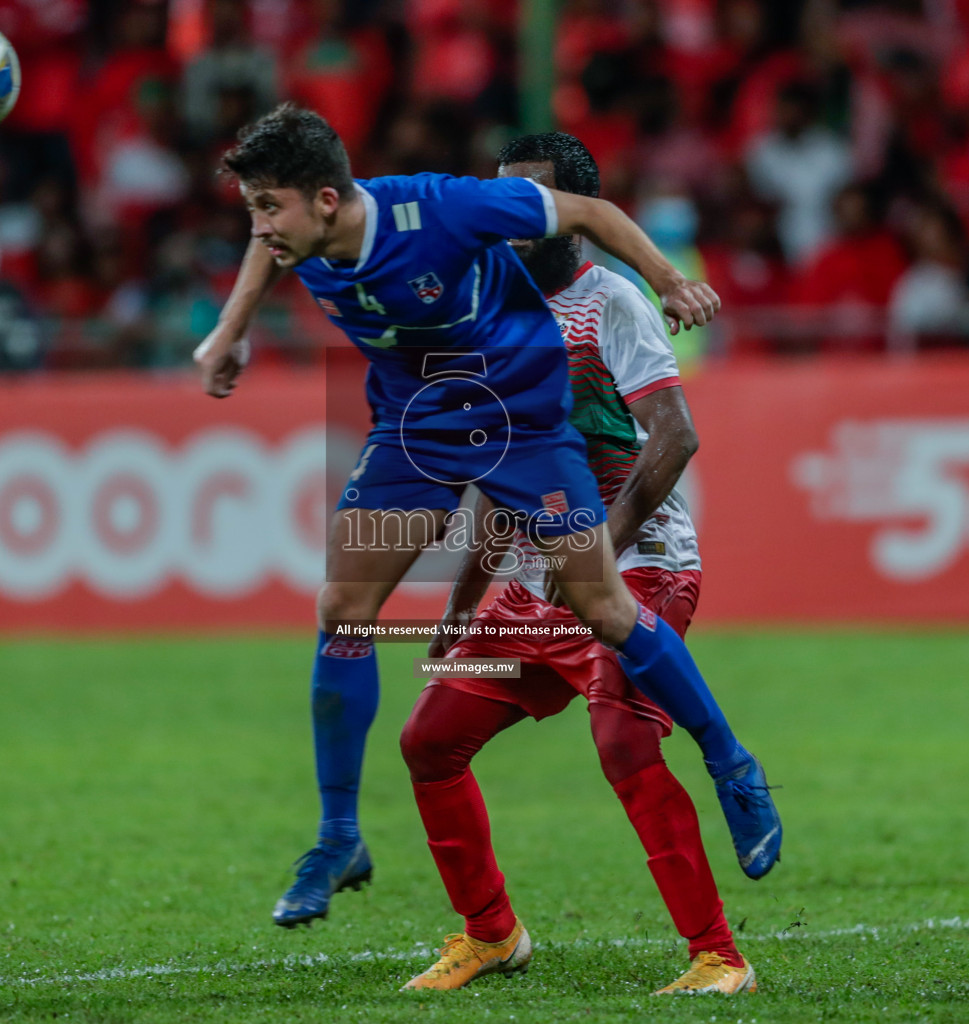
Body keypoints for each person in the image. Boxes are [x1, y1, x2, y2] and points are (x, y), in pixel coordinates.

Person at [192, 104, 781, 930]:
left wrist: (671, 279)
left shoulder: (442, 209)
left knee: (604, 607)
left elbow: (590, 212)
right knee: (343, 610)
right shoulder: (293, 231)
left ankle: (731, 763)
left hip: (521, 419)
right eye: (253, 207)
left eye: (269, 207)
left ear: (328, 199)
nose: (258, 228)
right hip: (416, 426)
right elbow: (264, 244)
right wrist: (231, 330)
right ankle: (337, 836)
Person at [397, 132, 755, 996]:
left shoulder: (613, 303)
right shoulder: (490, 320)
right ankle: (491, 934)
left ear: (574, 217)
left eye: (537, 201)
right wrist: (461, 610)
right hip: (529, 581)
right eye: (506, 198)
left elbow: (675, 437)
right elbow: (497, 479)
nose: (516, 217)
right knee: (429, 741)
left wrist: (603, 545)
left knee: (622, 737)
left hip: (641, 566)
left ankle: (718, 956)